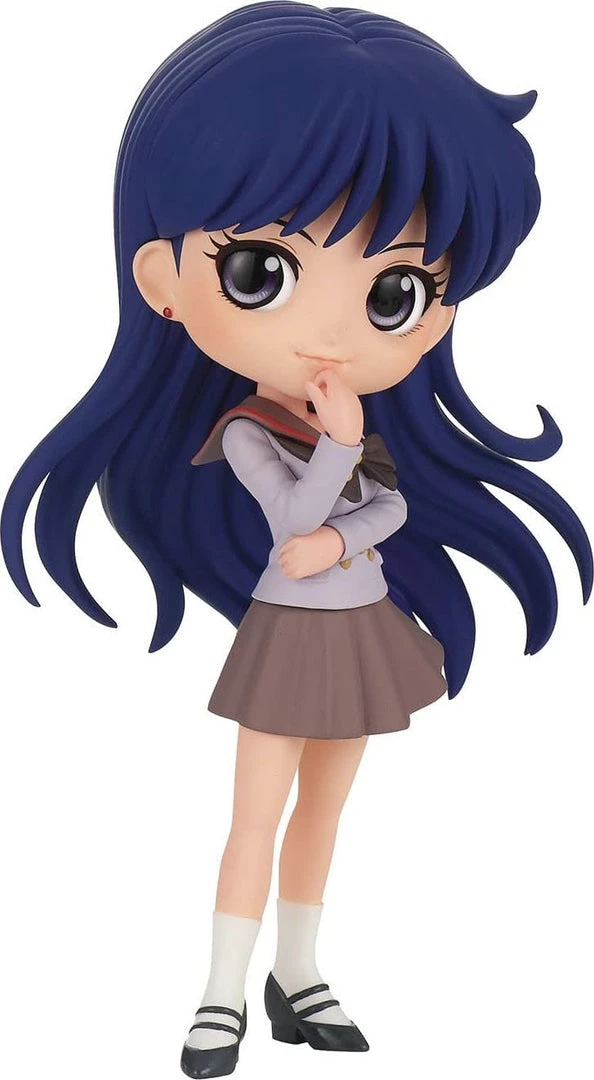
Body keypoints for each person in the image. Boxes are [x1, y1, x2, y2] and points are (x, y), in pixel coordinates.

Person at [2, 5, 591, 1077]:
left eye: (395, 291)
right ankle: (219, 994)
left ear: (438, 312)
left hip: (361, 628)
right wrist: (344, 467)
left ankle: (301, 973)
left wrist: (350, 505)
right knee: (256, 815)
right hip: (291, 638)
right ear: (162, 281)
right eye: (261, 272)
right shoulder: (248, 430)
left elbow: (385, 514)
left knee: (326, 810)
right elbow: (297, 518)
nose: (333, 332)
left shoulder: (349, 430)